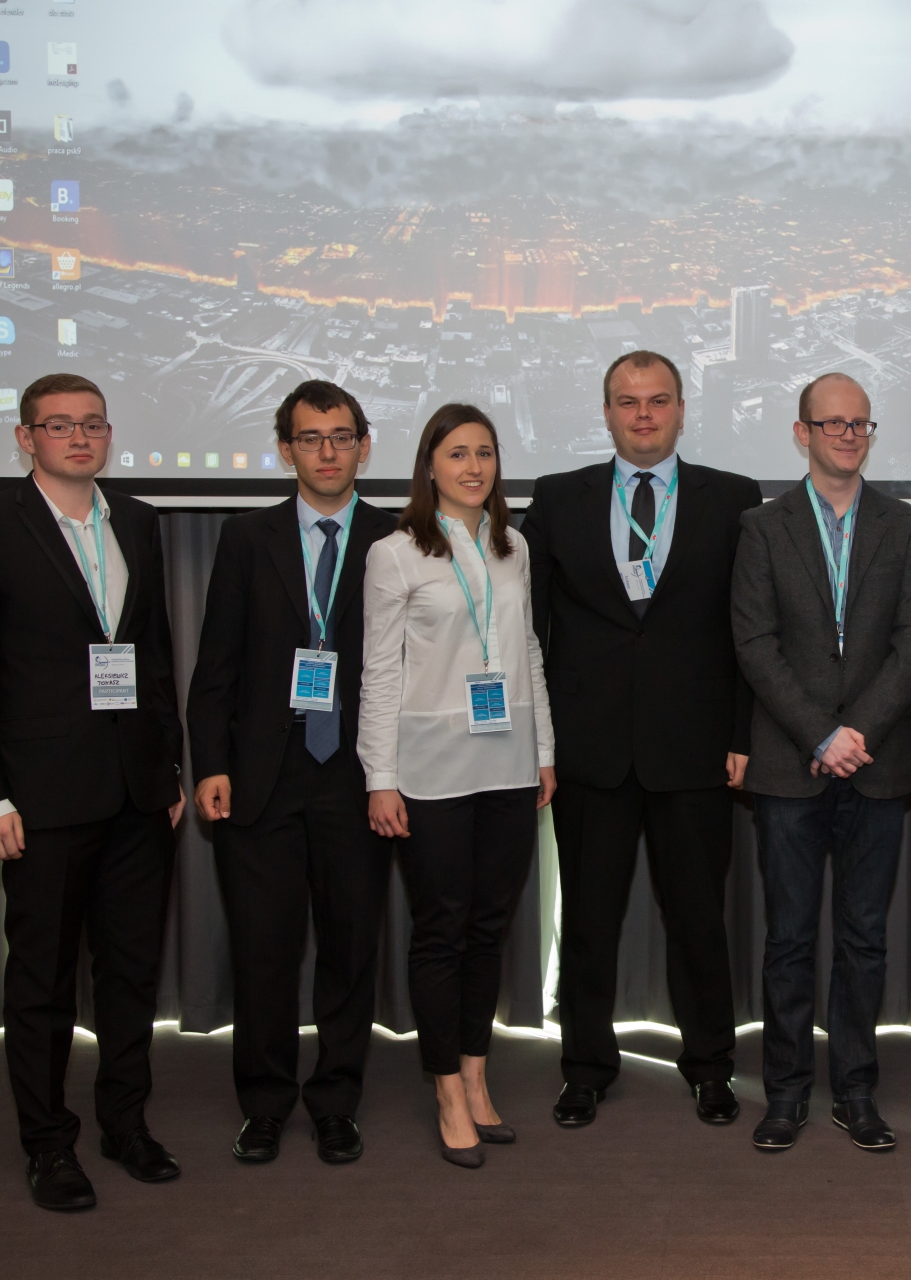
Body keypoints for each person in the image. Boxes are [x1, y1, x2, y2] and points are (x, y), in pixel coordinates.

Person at [0, 373, 185, 1211]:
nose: (79, 438)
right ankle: (47, 1144)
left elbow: (153, 655)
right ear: (25, 438)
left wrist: (169, 768)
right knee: (41, 983)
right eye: (60, 425)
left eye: (93, 425)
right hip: (37, 801)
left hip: (137, 796)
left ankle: (125, 1124)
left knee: (131, 976)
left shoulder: (137, 521)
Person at [520, 350, 762, 1128]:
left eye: (658, 400)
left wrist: (743, 734)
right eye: (628, 402)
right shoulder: (558, 498)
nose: (644, 414)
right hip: (589, 747)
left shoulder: (734, 498)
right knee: (588, 922)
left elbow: (749, 631)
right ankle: (585, 1067)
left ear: (681, 409)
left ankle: (711, 1066)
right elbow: (529, 629)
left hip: (696, 747)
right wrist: (540, 744)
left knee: (698, 920)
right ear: (607, 412)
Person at [187, 380, 398, 1166]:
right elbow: (217, 664)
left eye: (341, 436)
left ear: (364, 446)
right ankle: (266, 1103)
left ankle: (337, 1101)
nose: (328, 451)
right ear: (286, 450)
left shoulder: (397, 539)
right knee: (264, 950)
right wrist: (210, 763)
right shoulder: (248, 538)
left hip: (358, 775)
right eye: (311, 438)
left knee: (350, 948)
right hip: (262, 777)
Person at [731, 373, 911, 1153]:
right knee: (788, 938)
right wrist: (823, 735)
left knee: (864, 938)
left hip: (876, 765)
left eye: (860, 424)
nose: (848, 435)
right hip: (790, 766)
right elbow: (755, 644)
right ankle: (786, 1093)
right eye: (833, 424)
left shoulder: (904, 527)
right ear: (802, 433)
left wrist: (857, 732)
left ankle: (856, 1091)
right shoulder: (763, 527)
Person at [357, 404, 556, 1169]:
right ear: (430, 467)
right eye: (457, 454)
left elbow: (527, 652)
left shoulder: (514, 546)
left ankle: (476, 1076)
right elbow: (380, 672)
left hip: (508, 762)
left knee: (488, 926)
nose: (474, 467)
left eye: (485, 453)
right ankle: (445, 1088)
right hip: (430, 770)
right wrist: (380, 777)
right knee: (442, 928)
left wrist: (544, 750)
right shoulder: (395, 553)